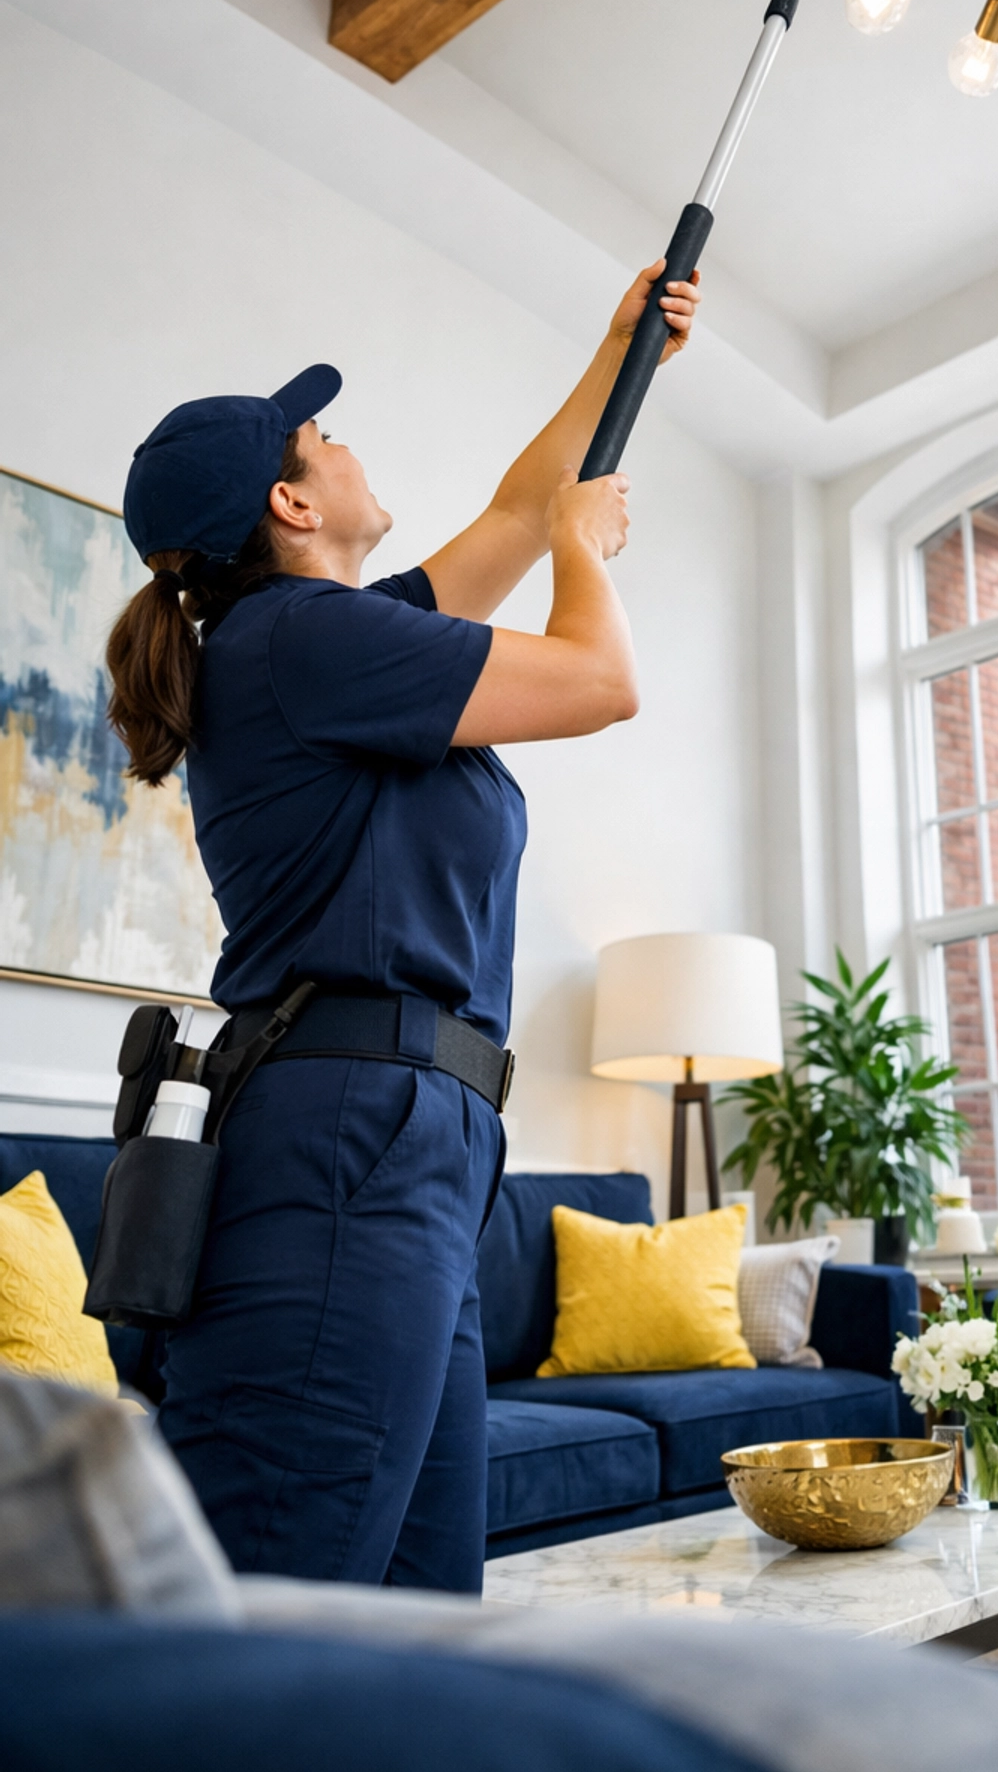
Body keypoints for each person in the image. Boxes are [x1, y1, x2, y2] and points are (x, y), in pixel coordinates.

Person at [104, 260, 699, 1594]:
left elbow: (516, 507)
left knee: (424, 1607)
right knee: (287, 1606)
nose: (346, 444)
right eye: (324, 435)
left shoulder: (338, 639)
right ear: (292, 502)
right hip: (348, 1140)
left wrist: (623, 353)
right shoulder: (298, 640)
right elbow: (599, 679)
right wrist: (583, 552)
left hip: (419, 1146)